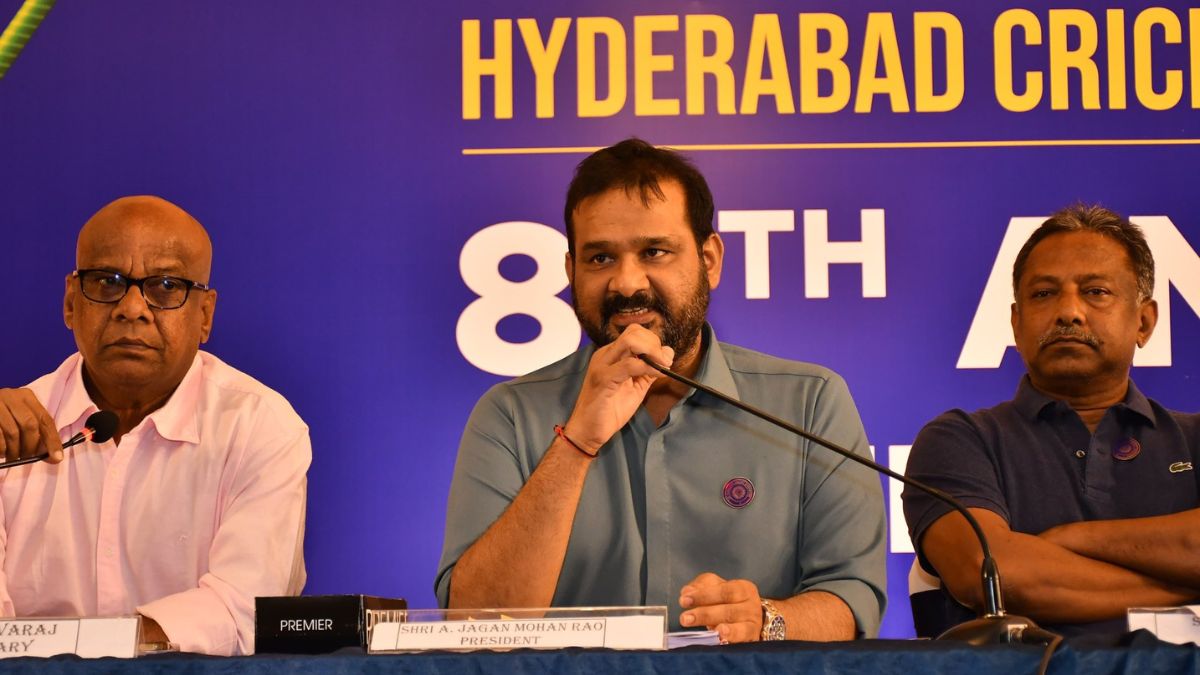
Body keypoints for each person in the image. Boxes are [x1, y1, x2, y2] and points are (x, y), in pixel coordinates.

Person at [436, 138, 886, 642]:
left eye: (654, 251)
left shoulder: (810, 403)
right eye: (600, 258)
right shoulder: (510, 415)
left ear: (709, 259)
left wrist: (767, 621)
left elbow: (852, 599)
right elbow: (472, 625)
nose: (626, 283)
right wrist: (577, 442)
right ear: (570, 272)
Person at [0, 196, 310, 655]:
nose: (132, 308)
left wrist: (87, 648)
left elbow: (242, 609)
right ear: (70, 302)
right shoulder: (10, 434)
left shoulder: (258, 426)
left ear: (204, 316)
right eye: (107, 281)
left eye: (166, 286)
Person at [903, 204, 1200, 637]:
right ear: (1015, 322)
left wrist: (1074, 538)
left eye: (1096, 291)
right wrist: (1182, 586)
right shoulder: (961, 439)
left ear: (1144, 321)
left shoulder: (1194, 439)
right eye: (1044, 294)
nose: (1069, 312)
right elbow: (990, 572)